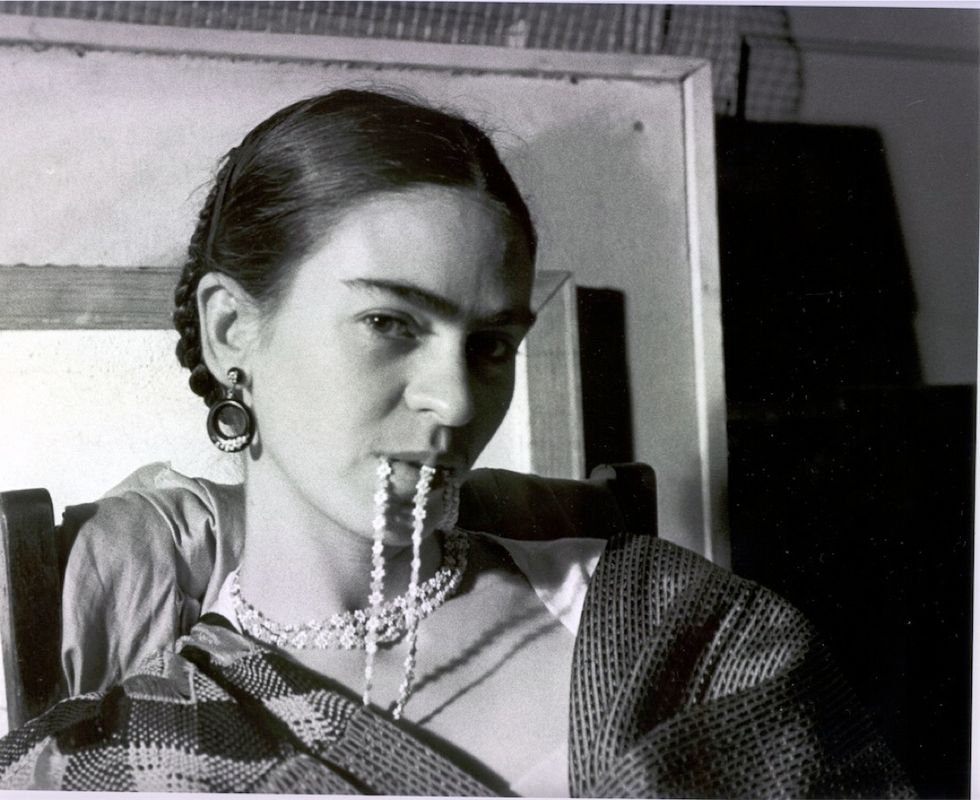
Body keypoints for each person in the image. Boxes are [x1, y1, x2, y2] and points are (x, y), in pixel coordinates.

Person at [0, 89, 913, 797]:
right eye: (390, 322)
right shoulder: (112, 762)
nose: (458, 399)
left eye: (492, 345)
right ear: (232, 331)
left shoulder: (676, 630)